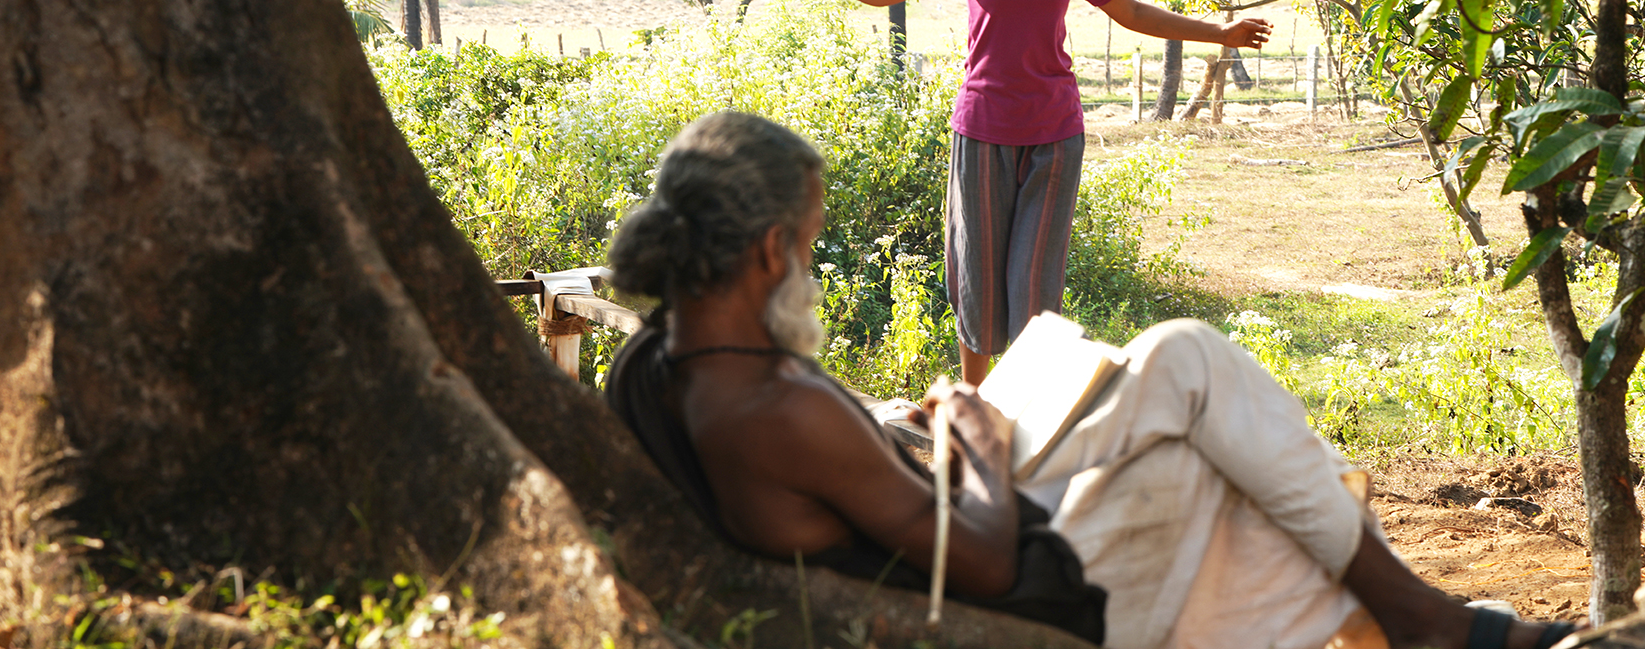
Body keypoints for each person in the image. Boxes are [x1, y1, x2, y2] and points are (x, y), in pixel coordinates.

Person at [604, 112, 1577, 649]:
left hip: (933, 502)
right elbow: (980, 563)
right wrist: (978, 447)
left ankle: (1414, 623)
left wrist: (901, 425)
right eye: (812, 248)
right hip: (1003, 575)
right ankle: (1419, 622)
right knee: (1206, 441)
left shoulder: (656, 363)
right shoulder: (775, 405)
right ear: (773, 249)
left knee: (1182, 370)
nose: (811, 268)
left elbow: (828, 482)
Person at [778, 0, 1273, 385]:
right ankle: (975, 399)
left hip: (1055, 134)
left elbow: (1130, 12)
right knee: (979, 271)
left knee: (1035, 280)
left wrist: (1218, 31)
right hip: (983, 129)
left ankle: (1027, 407)